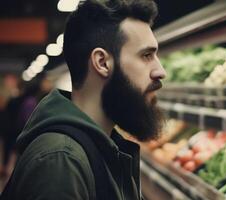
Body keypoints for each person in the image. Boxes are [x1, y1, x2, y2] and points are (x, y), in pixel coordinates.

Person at [3, 0, 166, 199]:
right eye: (146, 55)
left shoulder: (101, 147)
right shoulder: (61, 162)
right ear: (102, 62)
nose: (160, 71)